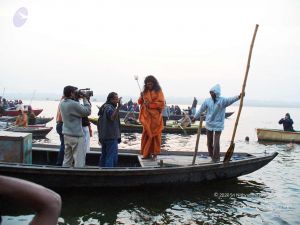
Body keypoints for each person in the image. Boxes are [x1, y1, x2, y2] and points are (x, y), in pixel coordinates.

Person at [192, 84, 242, 162]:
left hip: (218, 125)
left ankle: (216, 158)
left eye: (212, 93)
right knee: (209, 143)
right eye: (210, 93)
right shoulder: (207, 101)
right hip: (209, 124)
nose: (211, 94)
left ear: (216, 93)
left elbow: (231, 100)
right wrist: (195, 117)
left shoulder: (222, 101)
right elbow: (201, 109)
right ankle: (212, 157)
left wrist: (239, 97)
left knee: (216, 142)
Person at [60, 85, 91, 167]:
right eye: (75, 93)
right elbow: (87, 111)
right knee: (79, 161)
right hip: (76, 136)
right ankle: (78, 177)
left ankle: (64, 175)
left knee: (67, 159)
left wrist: (77, 97)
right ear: (71, 93)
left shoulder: (62, 103)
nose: (76, 94)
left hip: (66, 134)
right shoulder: (74, 104)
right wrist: (85, 98)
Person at [138, 75, 165, 160]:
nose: (149, 85)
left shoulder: (158, 91)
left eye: (150, 84)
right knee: (146, 135)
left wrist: (150, 105)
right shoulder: (145, 92)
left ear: (154, 83)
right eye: (147, 84)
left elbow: (161, 103)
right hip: (146, 117)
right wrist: (141, 97)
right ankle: (147, 154)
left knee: (155, 136)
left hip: (155, 117)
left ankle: (155, 155)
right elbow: (139, 102)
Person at [97, 92, 122, 167]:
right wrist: (118, 107)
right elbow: (112, 117)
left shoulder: (104, 106)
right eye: (116, 99)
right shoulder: (109, 108)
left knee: (104, 155)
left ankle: (101, 171)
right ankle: (109, 173)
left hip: (103, 136)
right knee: (110, 157)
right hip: (111, 136)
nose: (117, 101)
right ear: (111, 99)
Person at [56, 96, 65, 166]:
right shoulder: (64, 102)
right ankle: (60, 162)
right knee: (64, 145)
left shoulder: (61, 102)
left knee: (63, 144)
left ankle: (60, 162)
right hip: (62, 124)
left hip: (59, 124)